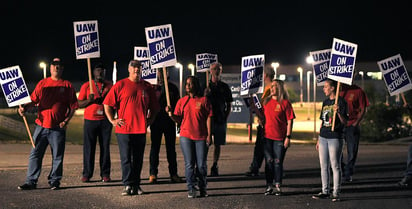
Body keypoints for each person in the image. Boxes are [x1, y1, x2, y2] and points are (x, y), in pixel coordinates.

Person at [17, 58, 79, 190]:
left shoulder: (67, 85)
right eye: (54, 65)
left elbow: (73, 106)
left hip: (58, 128)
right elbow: (34, 99)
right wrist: (24, 108)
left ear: (62, 69)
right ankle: (31, 181)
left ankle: (55, 181)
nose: (56, 68)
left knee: (57, 156)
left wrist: (66, 120)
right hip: (41, 126)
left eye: (59, 66)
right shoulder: (43, 83)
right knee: (35, 154)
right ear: (50, 68)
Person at [103, 60, 159, 196]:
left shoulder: (147, 87)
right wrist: (112, 120)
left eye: (139, 68)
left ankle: (136, 185)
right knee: (126, 158)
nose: (136, 70)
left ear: (141, 70)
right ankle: (127, 184)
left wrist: (149, 120)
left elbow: (155, 108)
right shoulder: (120, 85)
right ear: (129, 69)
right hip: (124, 130)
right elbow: (107, 104)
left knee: (138, 159)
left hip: (140, 130)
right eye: (134, 68)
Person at [166, 76, 212, 198]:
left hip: (201, 136)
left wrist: (209, 135)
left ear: (196, 85)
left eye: (190, 84)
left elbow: (209, 117)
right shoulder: (182, 101)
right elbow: (178, 119)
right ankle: (191, 188)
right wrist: (170, 114)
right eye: (186, 84)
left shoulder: (204, 100)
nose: (188, 86)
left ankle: (202, 187)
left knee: (201, 165)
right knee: (189, 164)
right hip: (186, 136)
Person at [250, 79, 295, 196]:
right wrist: (258, 117)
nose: (272, 88)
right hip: (267, 137)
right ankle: (269, 185)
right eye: (271, 86)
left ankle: (278, 185)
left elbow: (290, 121)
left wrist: (288, 137)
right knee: (269, 162)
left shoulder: (285, 103)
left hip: (280, 138)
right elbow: (261, 116)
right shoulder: (266, 101)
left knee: (277, 162)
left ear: (280, 88)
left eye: (274, 86)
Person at [312, 79, 348, 202]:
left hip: (335, 137)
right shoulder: (325, 102)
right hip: (323, 137)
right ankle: (325, 191)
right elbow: (322, 120)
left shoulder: (341, 102)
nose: (324, 89)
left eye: (326, 87)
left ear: (333, 88)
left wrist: (338, 113)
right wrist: (318, 138)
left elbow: (345, 122)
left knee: (335, 165)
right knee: (323, 165)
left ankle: (336, 192)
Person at [78, 63, 113, 183]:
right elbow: (78, 104)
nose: (100, 73)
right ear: (93, 72)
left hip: (105, 120)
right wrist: (89, 100)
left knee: (105, 148)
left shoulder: (110, 85)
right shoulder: (87, 85)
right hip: (90, 121)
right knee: (89, 148)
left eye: (102, 70)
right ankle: (87, 174)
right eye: (98, 70)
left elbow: (115, 102)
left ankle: (105, 174)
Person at [148, 68, 183, 184]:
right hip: (156, 121)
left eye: (164, 72)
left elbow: (178, 105)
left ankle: (173, 174)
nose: (161, 74)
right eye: (159, 72)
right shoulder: (152, 88)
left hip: (169, 121)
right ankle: (153, 174)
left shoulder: (172, 88)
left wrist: (177, 118)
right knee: (155, 148)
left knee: (171, 149)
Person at [204, 62, 233, 176]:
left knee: (218, 144)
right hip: (207, 120)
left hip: (220, 119)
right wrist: (205, 94)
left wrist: (225, 116)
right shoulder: (205, 86)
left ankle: (215, 165)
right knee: (206, 143)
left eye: (218, 69)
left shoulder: (224, 87)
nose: (216, 71)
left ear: (221, 71)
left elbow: (229, 104)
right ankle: (203, 165)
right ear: (210, 71)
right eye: (214, 69)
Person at [245, 67, 275, 177]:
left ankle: (271, 169)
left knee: (266, 147)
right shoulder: (266, 88)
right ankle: (255, 167)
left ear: (266, 75)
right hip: (263, 121)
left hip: (268, 122)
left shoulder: (272, 88)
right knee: (260, 147)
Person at [339, 81, 369, 182]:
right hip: (340, 126)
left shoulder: (358, 91)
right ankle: (342, 170)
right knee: (337, 151)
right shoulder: (338, 89)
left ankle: (348, 173)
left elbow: (363, 109)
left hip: (352, 125)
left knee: (352, 151)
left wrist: (356, 123)